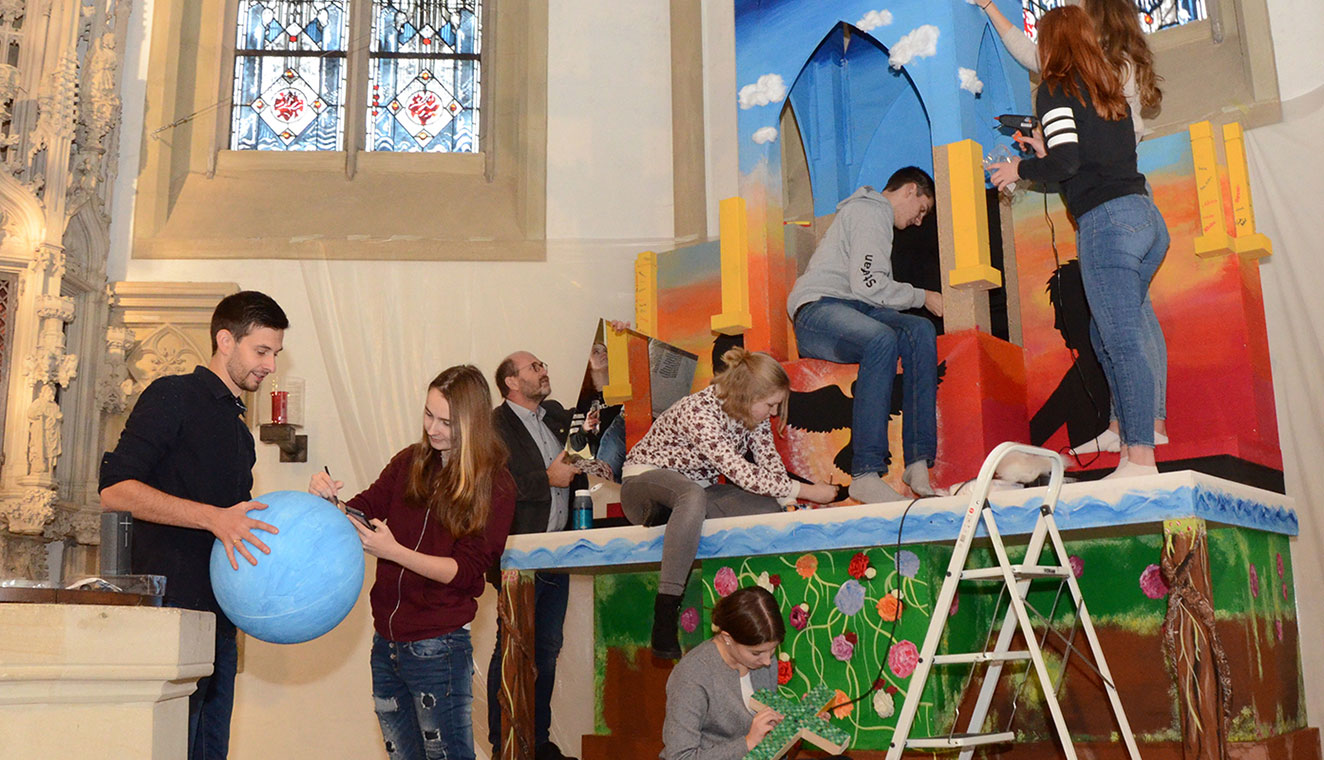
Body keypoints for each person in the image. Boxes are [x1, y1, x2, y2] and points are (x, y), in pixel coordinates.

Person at [99, 290, 289, 760]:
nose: (270, 365)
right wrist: (213, 517)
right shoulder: (173, 395)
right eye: (261, 351)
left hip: (220, 620)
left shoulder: (240, 431)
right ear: (225, 340)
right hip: (169, 615)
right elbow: (115, 490)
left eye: (275, 354)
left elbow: (236, 525)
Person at [979, 0, 1169, 459]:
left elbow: (1066, 164)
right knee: (1110, 334)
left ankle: (1141, 453)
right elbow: (1087, 156)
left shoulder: (1055, 88)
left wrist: (1019, 168)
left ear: (1050, 45)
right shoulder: (1107, 88)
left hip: (1108, 224)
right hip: (1146, 220)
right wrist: (1045, 152)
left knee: (1119, 341)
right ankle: (1133, 430)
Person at [309, 365, 515, 760]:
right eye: (428, 414)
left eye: (446, 422)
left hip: (439, 646)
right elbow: (363, 509)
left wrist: (394, 552)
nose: (432, 429)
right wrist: (329, 502)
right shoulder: (410, 462)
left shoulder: (496, 484)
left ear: (472, 424)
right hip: (386, 644)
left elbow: (465, 571)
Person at [622, 348, 837, 659]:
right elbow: (740, 472)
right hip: (643, 486)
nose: (774, 413)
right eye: (771, 404)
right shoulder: (699, 411)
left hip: (697, 492)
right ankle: (666, 612)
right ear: (748, 395)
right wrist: (810, 491)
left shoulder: (753, 417)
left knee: (768, 508)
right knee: (691, 495)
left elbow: (769, 465)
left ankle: (676, 517)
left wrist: (788, 502)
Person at [787, 167, 943, 504]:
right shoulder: (871, 211)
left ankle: (918, 461)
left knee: (919, 330)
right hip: (819, 311)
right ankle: (866, 472)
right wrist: (924, 296)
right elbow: (869, 284)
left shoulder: (877, 217)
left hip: (857, 308)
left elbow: (866, 292)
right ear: (910, 190)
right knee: (880, 339)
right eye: (922, 210)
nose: (919, 221)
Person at [488, 351, 613, 760]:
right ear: (510, 382)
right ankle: (504, 744)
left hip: (558, 553)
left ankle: (537, 742)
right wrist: (547, 478)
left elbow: (591, 428)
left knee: (547, 649)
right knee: (512, 646)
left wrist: (598, 374)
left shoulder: (556, 415)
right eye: (534, 367)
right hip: (519, 556)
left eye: (544, 364)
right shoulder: (494, 427)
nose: (544, 370)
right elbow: (492, 486)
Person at [662, 586, 784, 759]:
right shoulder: (692, 675)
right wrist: (748, 743)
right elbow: (680, 757)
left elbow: (768, 738)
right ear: (727, 638)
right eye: (756, 653)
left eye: (772, 650)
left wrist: (800, 721)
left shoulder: (765, 658)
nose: (767, 661)